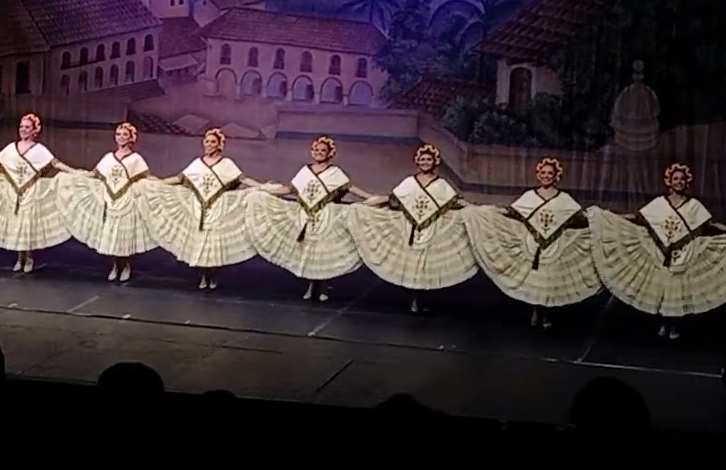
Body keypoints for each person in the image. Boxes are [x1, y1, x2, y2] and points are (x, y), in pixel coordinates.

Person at [587, 162, 726, 339]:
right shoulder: (659, 204)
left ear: (687, 182)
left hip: (685, 252)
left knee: (677, 290)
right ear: (669, 182)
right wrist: (612, 216)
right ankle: (663, 324)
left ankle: (672, 326)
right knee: (664, 288)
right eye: (675, 179)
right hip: (660, 251)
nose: (679, 182)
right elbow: (638, 217)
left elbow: (711, 224)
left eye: (682, 179)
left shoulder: (694, 205)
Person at [460, 157, 601, 328]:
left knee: (549, 280)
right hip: (533, 245)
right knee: (536, 279)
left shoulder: (564, 199)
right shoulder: (530, 196)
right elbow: (513, 212)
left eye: (550, 173)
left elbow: (579, 218)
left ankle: (546, 313)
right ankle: (536, 311)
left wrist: (600, 219)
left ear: (556, 176)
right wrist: (489, 211)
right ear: (538, 175)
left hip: (554, 245)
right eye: (543, 173)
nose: (546, 176)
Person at [138, 128, 277, 290]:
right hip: (199, 207)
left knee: (212, 244)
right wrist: (159, 183)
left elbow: (243, 179)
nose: (209, 144)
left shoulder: (226, 164)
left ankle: (213, 275)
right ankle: (203, 275)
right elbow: (179, 178)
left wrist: (261, 186)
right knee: (200, 243)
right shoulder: (198, 163)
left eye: (212, 141)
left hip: (218, 207)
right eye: (207, 141)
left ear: (219, 145)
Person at [348, 143, 478, 313]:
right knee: (414, 266)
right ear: (418, 162)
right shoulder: (410, 182)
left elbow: (455, 201)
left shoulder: (441, 184)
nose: (425, 162)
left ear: (434, 162)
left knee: (426, 266)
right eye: (422, 159)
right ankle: (415, 299)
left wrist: (474, 208)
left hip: (432, 229)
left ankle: (424, 298)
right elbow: (391, 199)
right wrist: (365, 204)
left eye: (428, 159)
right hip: (412, 229)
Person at [246, 136, 375, 301]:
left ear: (329, 153)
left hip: (326, 216)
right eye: (316, 150)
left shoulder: (335, 172)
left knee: (321, 252)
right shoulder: (305, 171)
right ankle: (310, 286)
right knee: (308, 251)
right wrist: (265, 190)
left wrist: (369, 197)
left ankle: (322, 288)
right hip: (306, 215)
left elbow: (350, 187)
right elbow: (290, 189)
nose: (319, 153)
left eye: (323, 151)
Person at [0, 114, 82, 273]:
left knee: (26, 225)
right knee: (16, 224)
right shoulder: (12, 148)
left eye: (27, 127)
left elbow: (55, 163)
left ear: (34, 130)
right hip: (14, 191)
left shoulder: (39, 150)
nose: (23, 130)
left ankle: (28, 257)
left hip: (31, 191)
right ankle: (20, 258)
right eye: (21, 126)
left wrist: (74, 171)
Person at [55, 121, 155, 282]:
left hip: (126, 201)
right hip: (111, 200)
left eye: (124, 134)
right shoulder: (109, 157)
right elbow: (95, 174)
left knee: (123, 236)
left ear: (131, 138)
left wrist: (162, 184)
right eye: (118, 134)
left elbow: (146, 177)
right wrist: (74, 173)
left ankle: (125, 265)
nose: (121, 137)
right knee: (112, 235)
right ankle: (115, 266)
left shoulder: (135, 159)